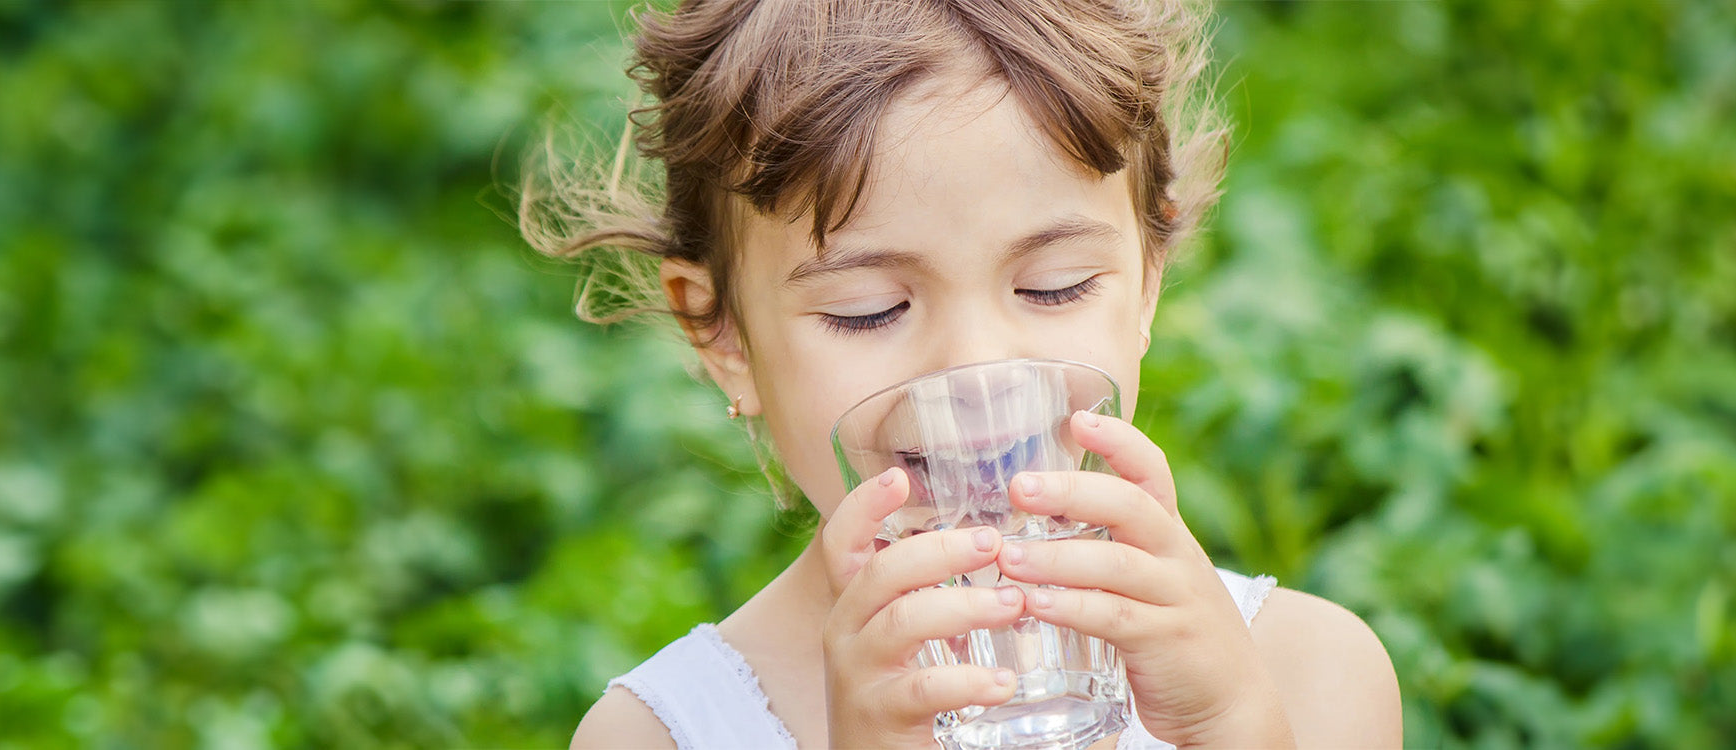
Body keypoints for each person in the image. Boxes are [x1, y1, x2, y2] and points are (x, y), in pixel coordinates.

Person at [525, 0, 1402, 746]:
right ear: (721, 335)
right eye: (868, 308)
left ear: (1147, 280)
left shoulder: (1308, 674)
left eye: (1052, 287)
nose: (978, 372)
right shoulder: (660, 734)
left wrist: (1235, 727)